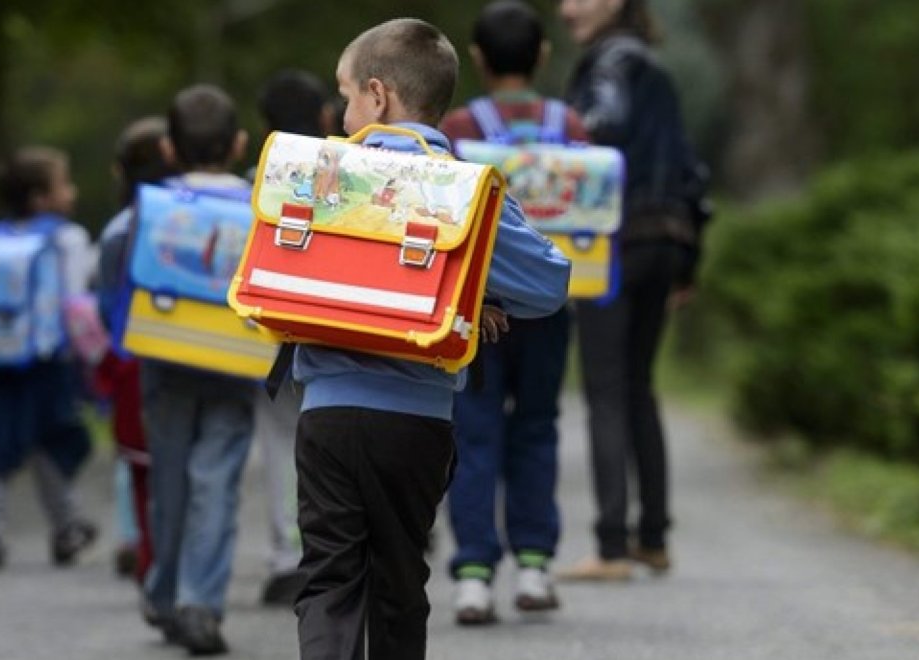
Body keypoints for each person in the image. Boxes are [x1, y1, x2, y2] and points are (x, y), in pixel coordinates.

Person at [292, 18, 571, 660]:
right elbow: (549, 283)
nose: (342, 115)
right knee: (398, 579)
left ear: (377, 95)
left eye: (346, 96)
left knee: (329, 577)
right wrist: (473, 291)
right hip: (415, 421)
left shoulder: (319, 175)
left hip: (326, 411)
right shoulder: (464, 188)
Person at [437, 0, 588, 625]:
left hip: (478, 309)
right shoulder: (570, 125)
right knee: (537, 426)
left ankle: (473, 575)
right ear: (543, 55)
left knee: (472, 432)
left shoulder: (458, 128)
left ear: (476, 58)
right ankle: (534, 565)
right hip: (550, 308)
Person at [556, 0, 710, 581]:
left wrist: (557, 136)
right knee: (639, 385)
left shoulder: (611, 63)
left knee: (606, 389)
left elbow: (600, 126)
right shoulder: (654, 64)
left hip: (616, 241)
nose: (566, 9)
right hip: (667, 237)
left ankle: (611, 547)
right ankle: (653, 538)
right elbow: (693, 172)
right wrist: (689, 261)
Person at [138, 84, 256, 656]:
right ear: (239, 145)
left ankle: (165, 595)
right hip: (236, 361)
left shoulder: (152, 207)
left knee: (170, 481)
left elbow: (114, 267)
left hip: (165, 357)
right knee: (217, 481)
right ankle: (200, 604)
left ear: (167, 148)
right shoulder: (260, 206)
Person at [0, 146, 99, 569]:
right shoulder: (68, 239)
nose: (71, 192)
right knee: (52, 444)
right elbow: (76, 301)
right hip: (50, 364)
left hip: (2, 362)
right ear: (40, 198)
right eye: (64, 184)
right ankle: (66, 525)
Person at [248, 69, 335, 607]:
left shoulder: (257, 181)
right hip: (338, 333)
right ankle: (340, 550)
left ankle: (289, 558)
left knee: (281, 444)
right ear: (326, 117)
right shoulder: (351, 177)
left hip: (274, 339)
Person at [94, 116, 178, 583]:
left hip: (133, 366)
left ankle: (145, 553)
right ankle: (182, 565)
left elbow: (108, 309)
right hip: (191, 358)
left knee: (139, 469)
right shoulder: (196, 218)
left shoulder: (118, 229)